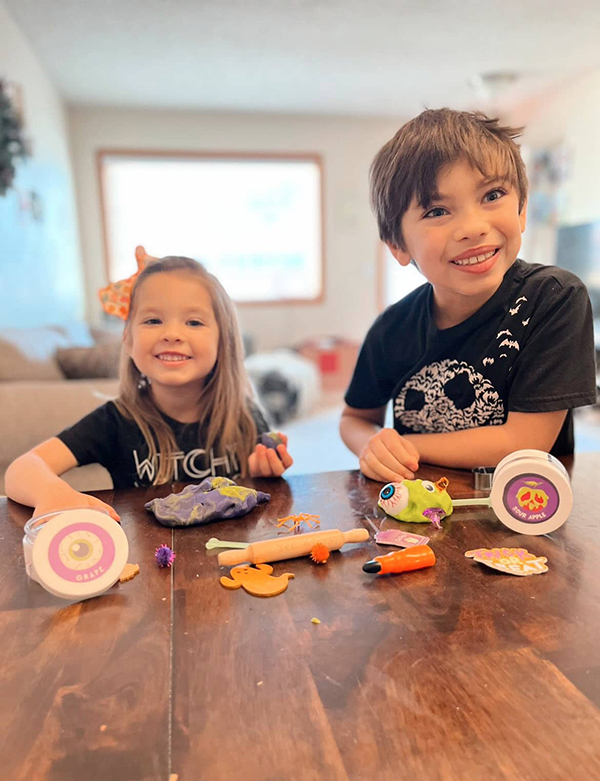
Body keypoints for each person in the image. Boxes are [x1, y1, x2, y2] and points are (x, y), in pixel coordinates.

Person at [340, 108, 597, 483]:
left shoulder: (554, 298)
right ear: (397, 244)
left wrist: (407, 444)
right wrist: (372, 444)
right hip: (420, 507)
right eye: (437, 211)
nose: (473, 228)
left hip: (528, 510)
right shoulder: (391, 329)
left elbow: (524, 442)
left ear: (522, 210)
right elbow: (354, 418)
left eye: (492, 195)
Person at [6, 254, 293, 520]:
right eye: (153, 320)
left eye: (193, 322)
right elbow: (22, 469)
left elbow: (264, 502)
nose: (171, 334)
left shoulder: (244, 414)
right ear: (128, 339)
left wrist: (263, 472)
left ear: (224, 340)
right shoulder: (115, 421)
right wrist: (51, 492)